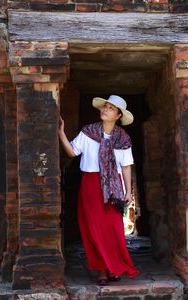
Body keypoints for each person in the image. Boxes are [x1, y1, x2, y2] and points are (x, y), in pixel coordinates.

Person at [58, 95, 140, 286]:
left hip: (114, 188)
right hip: (91, 186)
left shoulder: (123, 138)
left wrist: (129, 191)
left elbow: (126, 166)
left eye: (111, 108)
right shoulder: (88, 132)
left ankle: (114, 267)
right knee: (94, 229)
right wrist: (61, 133)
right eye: (105, 106)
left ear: (118, 115)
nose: (105, 109)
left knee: (114, 229)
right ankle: (102, 270)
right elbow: (72, 151)